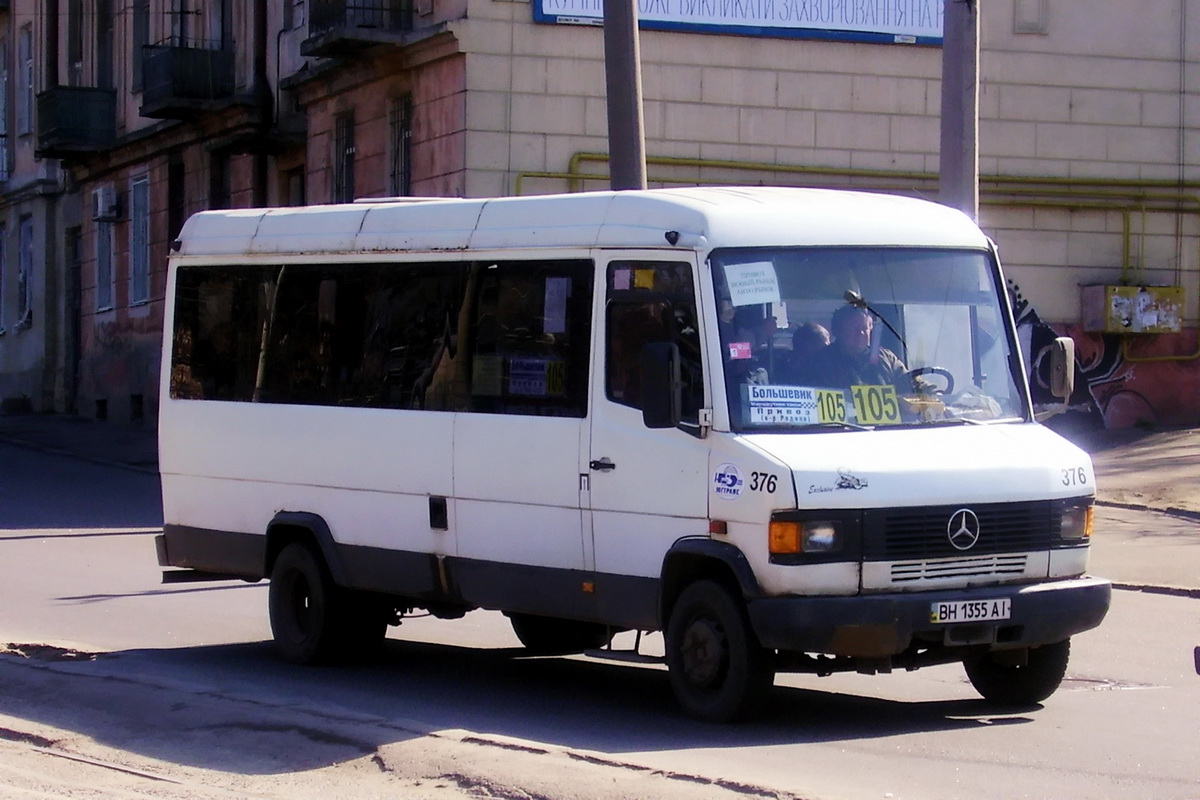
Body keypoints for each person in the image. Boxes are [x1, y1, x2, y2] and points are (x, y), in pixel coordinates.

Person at [810, 304, 905, 388]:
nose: (860, 333)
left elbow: (909, 385)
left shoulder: (888, 359)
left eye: (864, 328)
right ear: (838, 330)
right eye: (853, 328)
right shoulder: (819, 362)